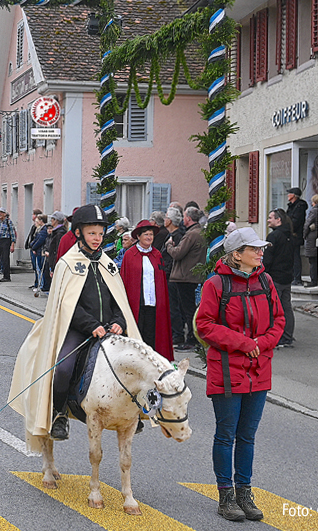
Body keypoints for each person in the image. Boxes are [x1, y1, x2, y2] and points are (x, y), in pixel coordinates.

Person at [8, 205, 141, 446]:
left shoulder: (108, 264)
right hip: (78, 329)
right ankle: (59, 414)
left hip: (109, 329)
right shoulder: (67, 264)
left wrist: (119, 322)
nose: (97, 239)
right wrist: (91, 325)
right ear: (79, 233)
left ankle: (134, 411)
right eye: (92, 233)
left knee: (137, 363)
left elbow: (118, 300)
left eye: (100, 234)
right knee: (63, 368)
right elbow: (66, 305)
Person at [195, 227, 283, 522]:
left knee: (247, 436)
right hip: (227, 370)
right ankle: (226, 496)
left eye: (261, 249)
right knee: (226, 435)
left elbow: (279, 319)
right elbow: (205, 325)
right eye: (254, 249)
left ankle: (244, 492)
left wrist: (262, 344)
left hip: (259, 369)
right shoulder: (215, 285)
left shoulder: (266, 281)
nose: (260, 253)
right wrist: (246, 344)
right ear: (236, 255)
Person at [120, 220, 173, 360]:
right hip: (137, 304)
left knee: (152, 336)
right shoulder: (130, 255)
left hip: (154, 304)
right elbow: (125, 281)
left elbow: (161, 280)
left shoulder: (157, 255)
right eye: (146, 234)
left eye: (151, 235)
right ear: (138, 236)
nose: (149, 237)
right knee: (137, 336)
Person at [166, 206, 205, 351]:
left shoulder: (191, 234)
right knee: (188, 309)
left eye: (184, 216)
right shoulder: (200, 232)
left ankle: (191, 339)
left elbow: (177, 253)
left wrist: (169, 245)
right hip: (193, 275)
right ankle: (191, 337)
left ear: (188, 218)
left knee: (187, 309)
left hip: (185, 276)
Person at [263, 209, 296, 347]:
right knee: (286, 307)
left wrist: (263, 273)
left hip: (275, 276)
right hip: (286, 276)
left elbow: (268, 259)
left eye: (271, 217)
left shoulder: (274, 237)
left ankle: (274, 336)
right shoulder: (291, 236)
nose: (268, 220)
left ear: (278, 220)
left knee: (272, 308)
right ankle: (287, 335)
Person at [286, 187, 308, 286]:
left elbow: (296, 221)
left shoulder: (299, 207)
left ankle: (297, 278)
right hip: (290, 235)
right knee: (290, 257)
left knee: (295, 257)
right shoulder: (291, 206)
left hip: (295, 235)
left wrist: (288, 228)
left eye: (289, 193)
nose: (288, 195)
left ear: (294, 195)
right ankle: (292, 276)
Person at [42, 211, 67, 293]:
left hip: (56, 262)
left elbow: (57, 250)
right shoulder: (56, 232)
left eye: (52, 219)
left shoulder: (59, 233)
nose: (51, 221)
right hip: (52, 260)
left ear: (56, 220)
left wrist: (53, 266)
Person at [29, 214, 49, 294]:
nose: (35, 223)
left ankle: (42, 286)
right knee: (38, 269)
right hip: (38, 250)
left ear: (41, 221)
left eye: (37, 221)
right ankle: (40, 285)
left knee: (40, 269)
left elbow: (40, 240)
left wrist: (33, 247)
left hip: (41, 251)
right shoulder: (40, 229)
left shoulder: (44, 230)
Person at [24, 209, 44, 288]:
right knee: (35, 267)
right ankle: (36, 282)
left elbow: (37, 239)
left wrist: (33, 246)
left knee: (37, 267)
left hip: (36, 249)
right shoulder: (34, 226)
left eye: (33, 214)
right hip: (32, 248)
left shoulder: (39, 228)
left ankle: (38, 284)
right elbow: (30, 236)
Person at [304, 195, 318, 287]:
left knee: (312, 260)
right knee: (315, 260)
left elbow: (307, 224)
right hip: (316, 236)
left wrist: (304, 235)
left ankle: (313, 280)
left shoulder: (314, 210)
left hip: (312, 237)